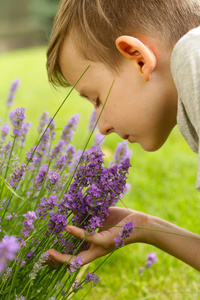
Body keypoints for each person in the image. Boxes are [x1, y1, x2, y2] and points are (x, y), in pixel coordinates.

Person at [46, 0, 200, 271]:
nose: (101, 126)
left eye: (96, 98)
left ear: (138, 58)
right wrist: (144, 227)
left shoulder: (193, 56)